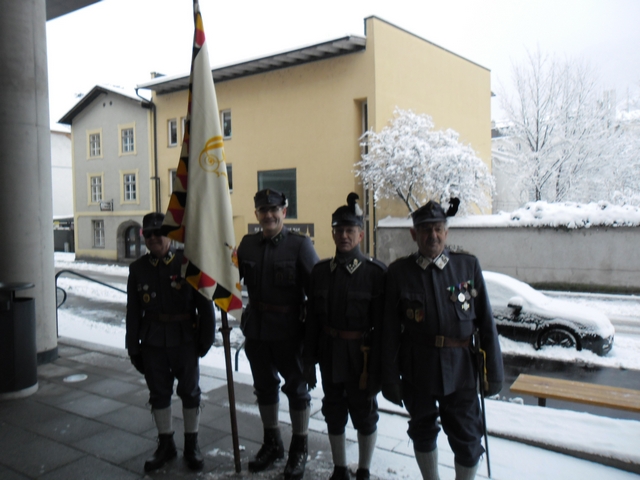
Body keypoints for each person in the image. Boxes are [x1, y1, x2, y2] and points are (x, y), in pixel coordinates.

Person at [381, 199, 503, 480]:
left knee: (469, 437)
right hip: (416, 369)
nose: (432, 236)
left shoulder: (467, 266)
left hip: (460, 369)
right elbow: (388, 331)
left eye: (437, 229)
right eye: (425, 230)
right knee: (422, 431)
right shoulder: (399, 273)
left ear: (446, 232)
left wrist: (493, 372)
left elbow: (485, 323)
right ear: (414, 234)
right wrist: (389, 378)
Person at [237, 188, 319, 480]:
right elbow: (231, 283)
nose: (269, 215)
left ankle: (299, 446)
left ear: (284, 212)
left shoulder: (300, 245)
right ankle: (272, 443)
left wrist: (312, 342)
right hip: (257, 332)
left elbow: (317, 295)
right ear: (257, 213)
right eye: (263, 211)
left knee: (297, 390)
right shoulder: (247, 245)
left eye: (275, 210)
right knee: (264, 388)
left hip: (289, 333)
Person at [304, 193, 386, 480]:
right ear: (332, 233)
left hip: (361, 358)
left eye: (350, 230)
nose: (344, 235)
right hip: (329, 354)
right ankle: (339, 469)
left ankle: (363, 470)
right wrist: (308, 360)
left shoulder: (375, 274)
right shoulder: (320, 272)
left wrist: (381, 368)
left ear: (361, 234)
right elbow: (312, 320)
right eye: (338, 230)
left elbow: (384, 328)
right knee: (333, 410)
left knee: (365, 414)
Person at [126, 212, 215, 472]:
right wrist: (133, 347)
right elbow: (133, 312)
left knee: (190, 393)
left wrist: (206, 339)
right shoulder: (138, 269)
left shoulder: (189, 263)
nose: (153, 238)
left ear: (170, 234)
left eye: (158, 232)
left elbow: (204, 305)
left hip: (185, 339)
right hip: (152, 342)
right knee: (159, 394)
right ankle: (166, 445)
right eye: (148, 234)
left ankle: (192, 445)